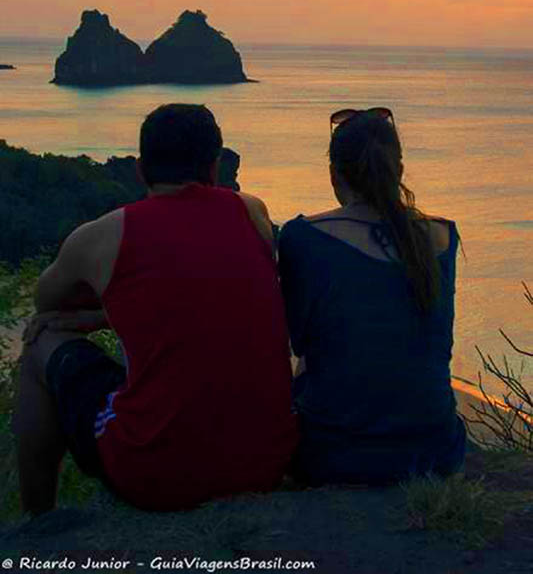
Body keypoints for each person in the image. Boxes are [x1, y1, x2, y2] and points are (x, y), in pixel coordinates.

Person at [14, 103, 298, 515]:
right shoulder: (252, 211)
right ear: (215, 167)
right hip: (265, 465)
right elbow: (205, 297)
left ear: (140, 169)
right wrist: (104, 316)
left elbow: (46, 302)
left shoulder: (101, 237)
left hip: (155, 476)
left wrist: (98, 309)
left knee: (41, 340)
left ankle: (35, 522)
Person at [278, 107, 466, 486]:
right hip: (435, 450)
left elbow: (297, 342)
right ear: (399, 169)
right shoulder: (443, 237)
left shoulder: (304, 238)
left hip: (333, 455)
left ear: (334, 175)